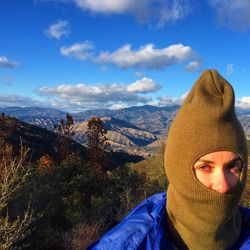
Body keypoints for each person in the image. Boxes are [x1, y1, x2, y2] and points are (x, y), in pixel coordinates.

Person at [87, 70, 250, 249]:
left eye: (233, 167)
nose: (223, 186)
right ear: (178, 170)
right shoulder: (130, 243)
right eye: (205, 167)